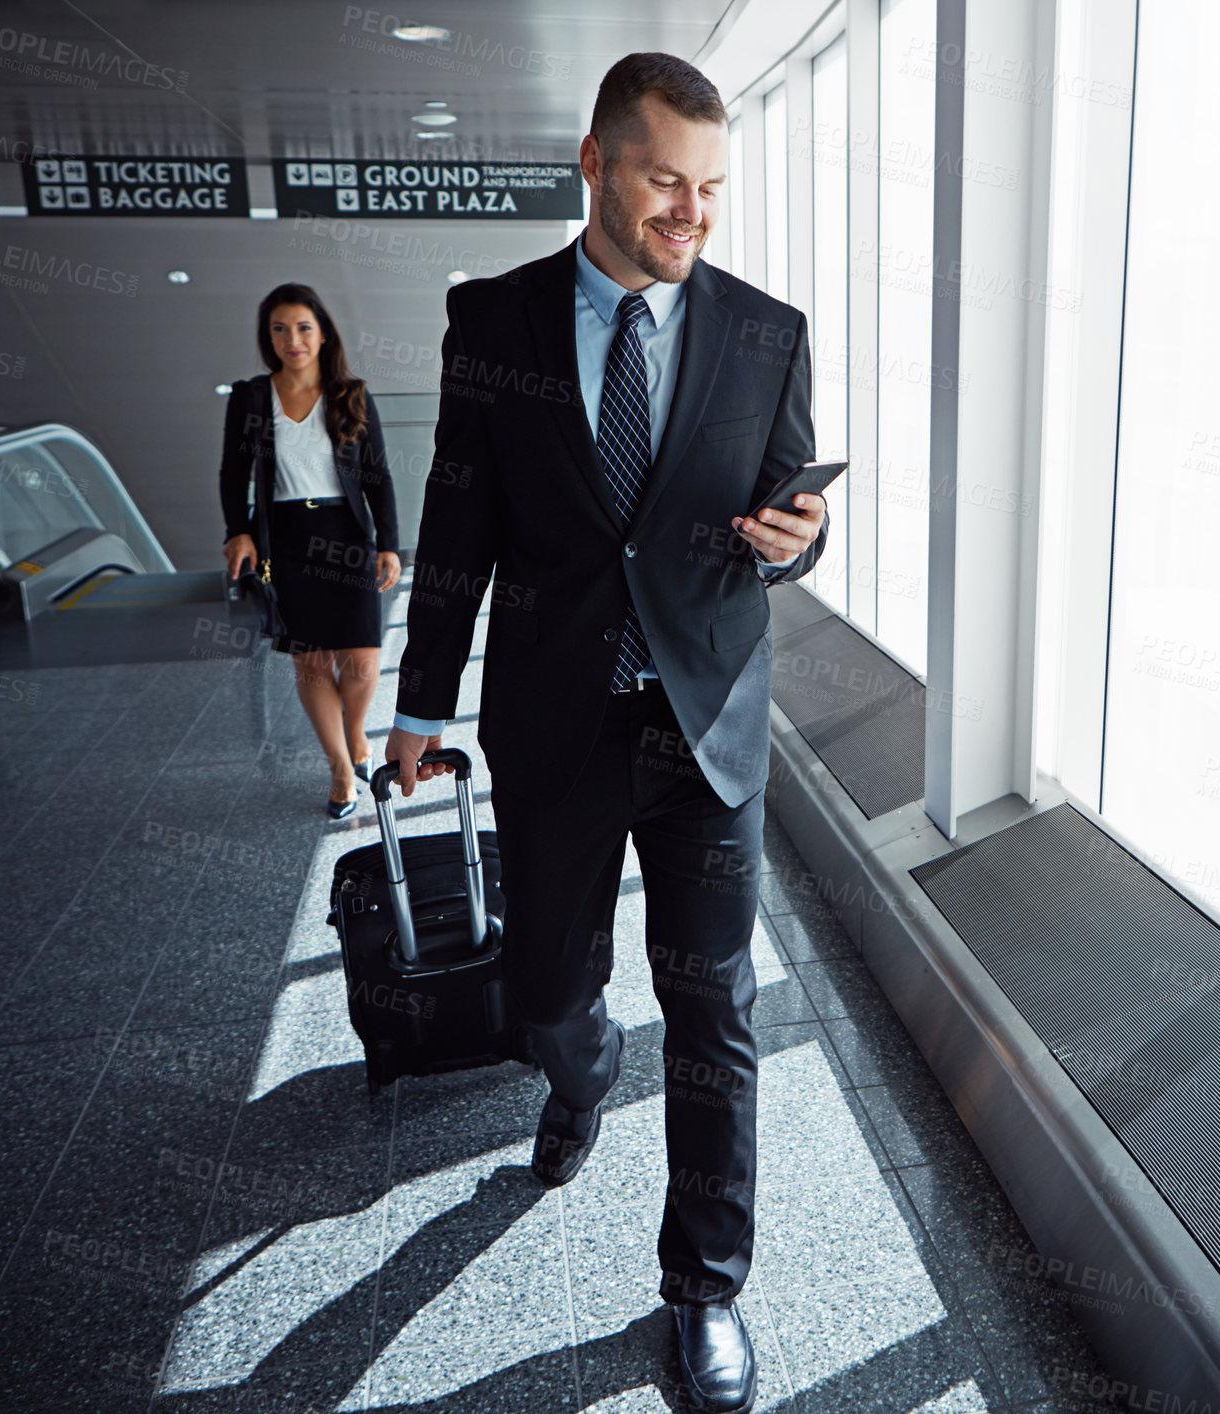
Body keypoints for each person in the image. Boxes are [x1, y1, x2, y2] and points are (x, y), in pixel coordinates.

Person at [387, 53, 828, 1414]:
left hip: (701, 719)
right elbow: (458, 525)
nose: (689, 213)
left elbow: (790, 511)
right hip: (554, 716)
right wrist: (419, 699)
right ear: (592, 162)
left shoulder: (767, 331)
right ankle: (580, 1067)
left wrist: (799, 538)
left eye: (709, 188)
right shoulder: (497, 323)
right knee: (545, 990)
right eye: (661, 180)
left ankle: (702, 1291)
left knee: (714, 1009)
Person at [219, 283, 401, 818]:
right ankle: (342, 770)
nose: (291, 339)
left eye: (302, 327)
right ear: (267, 337)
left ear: (323, 334)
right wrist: (239, 530)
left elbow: (378, 476)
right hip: (287, 539)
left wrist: (388, 544)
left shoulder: (351, 394)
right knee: (313, 662)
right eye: (279, 328)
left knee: (364, 662)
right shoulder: (251, 397)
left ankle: (354, 734)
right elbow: (233, 472)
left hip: (347, 536)